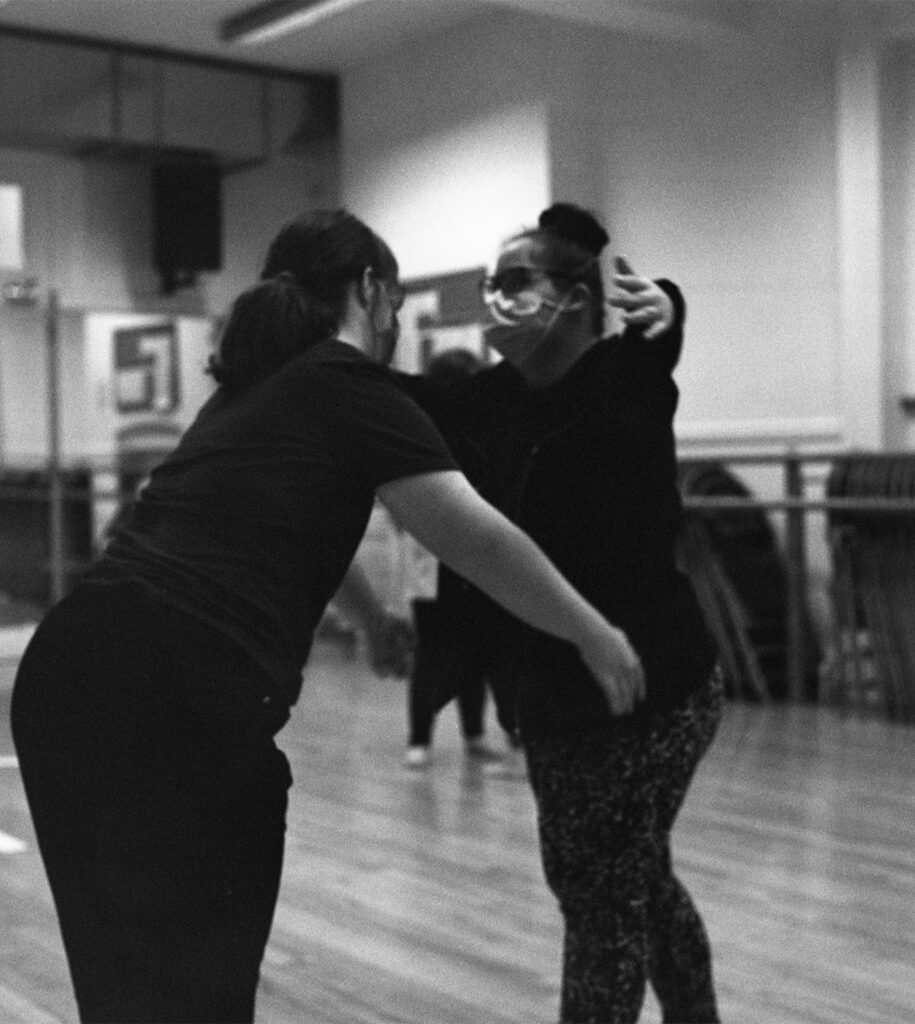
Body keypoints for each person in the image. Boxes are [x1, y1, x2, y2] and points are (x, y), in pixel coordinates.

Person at [10, 208, 646, 1024]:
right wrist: (593, 630)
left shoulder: (250, 393)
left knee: (125, 989)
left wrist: (375, 618)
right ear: (374, 291)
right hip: (178, 690)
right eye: (396, 309)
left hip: (67, 670)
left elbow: (294, 522)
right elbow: (471, 536)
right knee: (199, 996)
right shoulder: (346, 382)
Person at [397, 203, 722, 1023]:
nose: (496, 299)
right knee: (628, 877)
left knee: (602, 892)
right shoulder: (486, 401)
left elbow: (661, 324)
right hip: (553, 688)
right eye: (490, 286)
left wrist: (672, 301)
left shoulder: (626, 373)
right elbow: (399, 403)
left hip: (658, 677)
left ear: (575, 299)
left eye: (516, 283)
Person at [403, 347, 504, 768]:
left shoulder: (480, 429)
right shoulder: (424, 431)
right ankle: (421, 737)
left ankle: (473, 734)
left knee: (473, 647)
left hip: (466, 551)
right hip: (432, 552)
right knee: (435, 647)